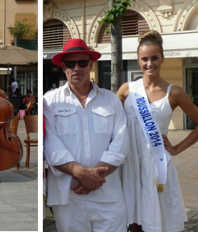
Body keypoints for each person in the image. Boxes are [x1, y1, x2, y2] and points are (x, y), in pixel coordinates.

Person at [117, 31, 198, 232]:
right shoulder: (126, 90)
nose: (149, 63)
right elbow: (110, 124)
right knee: (133, 223)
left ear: (162, 58)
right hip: (130, 165)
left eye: (154, 58)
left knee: (158, 222)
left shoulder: (175, 92)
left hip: (157, 167)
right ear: (138, 60)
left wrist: (178, 148)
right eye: (144, 59)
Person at [44, 38, 128, 231]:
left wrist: (94, 178)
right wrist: (81, 174)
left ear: (91, 64)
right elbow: (51, 145)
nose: (76, 68)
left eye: (82, 63)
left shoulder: (111, 101)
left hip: (107, 192)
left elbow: (121, 142)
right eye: (70, 64)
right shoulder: (49, 102)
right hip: (68, 194)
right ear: (63, 66)